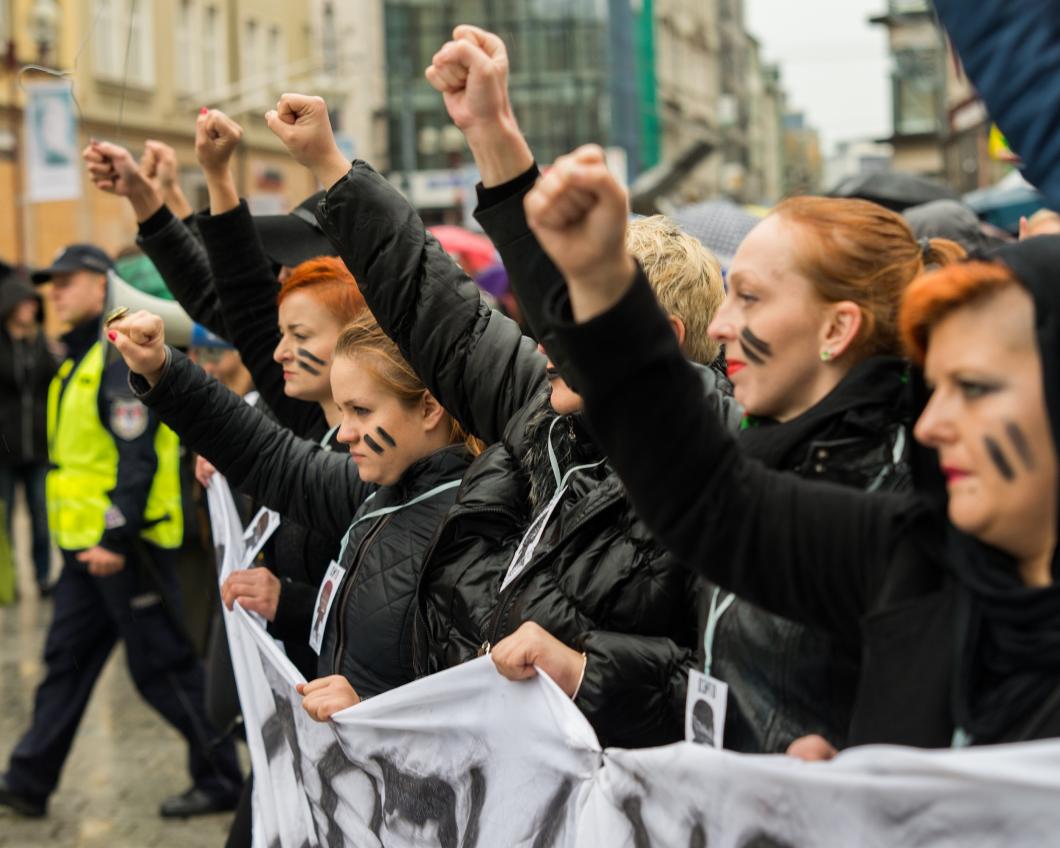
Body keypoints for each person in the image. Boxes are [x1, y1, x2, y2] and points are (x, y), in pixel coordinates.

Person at [425, 26, 964, 753]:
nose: (727, 325)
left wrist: (854, 778)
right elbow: (627, 382)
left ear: (837, 329)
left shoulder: (901, 490)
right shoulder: (765, 456)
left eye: (752, 297)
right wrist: (496, 143)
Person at [521, 144, 1060, 748]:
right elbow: (707, 497)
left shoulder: (891, 489)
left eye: (977, 388)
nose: (934, 423)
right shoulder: (911, 554)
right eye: (938, 386)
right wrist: (599, 280)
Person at [265, 91, 736, 748]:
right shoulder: (543, 414)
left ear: (656, 336)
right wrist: (331, 165)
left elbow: (740, 706)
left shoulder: (725, 480)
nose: (543, 340)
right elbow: (436, 305)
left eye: (569, 318)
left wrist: (582, 673)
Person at [105, 308, 478, 718]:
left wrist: (371, 712)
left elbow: (475, 707)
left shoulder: (472, 527)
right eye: (343, 411)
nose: (343, 432)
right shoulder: (379, 491)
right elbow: (268, 455)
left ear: (429, 408)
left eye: (362, 411)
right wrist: (162, 369)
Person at [0, 244, 243, 819]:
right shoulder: (80, 356)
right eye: (50, 284)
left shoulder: (113, 359)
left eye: (67, 281)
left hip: (125, 548)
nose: (54, 292)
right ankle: (28, 780)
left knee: (163, 671)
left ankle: (222, 777)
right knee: (66, 663)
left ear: (101, 286)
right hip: (88, 550)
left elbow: (137, 462)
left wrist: (112, 538)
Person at [0, 261, 57, 597]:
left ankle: (43, 576)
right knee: (4, 519)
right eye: (25, 305)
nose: (31, 310)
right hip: (3, 450)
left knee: (40, 515)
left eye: (34, 306)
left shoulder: (41, 345)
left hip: (37, 446)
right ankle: (8, 581)